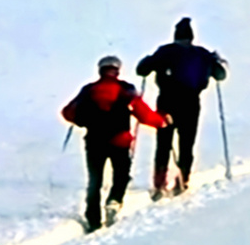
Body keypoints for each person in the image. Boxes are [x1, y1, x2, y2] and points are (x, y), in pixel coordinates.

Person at [61, 55, 169, 232]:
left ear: (100, 70)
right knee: (122, 174)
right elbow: (143, 114)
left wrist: (82, 120)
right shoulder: (126, 90)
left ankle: (93, 219)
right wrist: (160, 122)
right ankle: (114, 201)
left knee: (94, 180)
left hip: (94, 141)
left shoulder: (89, 90)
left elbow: (67, 112)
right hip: (120, 140)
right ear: (117, 70)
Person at [136, 17, 228, 199]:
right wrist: (216, 61)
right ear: (192, 37)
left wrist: (149, 60)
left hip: (167, 102)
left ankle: (159, 184)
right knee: (187, 143)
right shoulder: (203, 54)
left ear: (175, 36)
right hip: (191, 103)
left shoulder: (165, 52)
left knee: (163, 143)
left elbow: (142, 70)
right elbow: (220, 75)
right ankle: (182, 180)